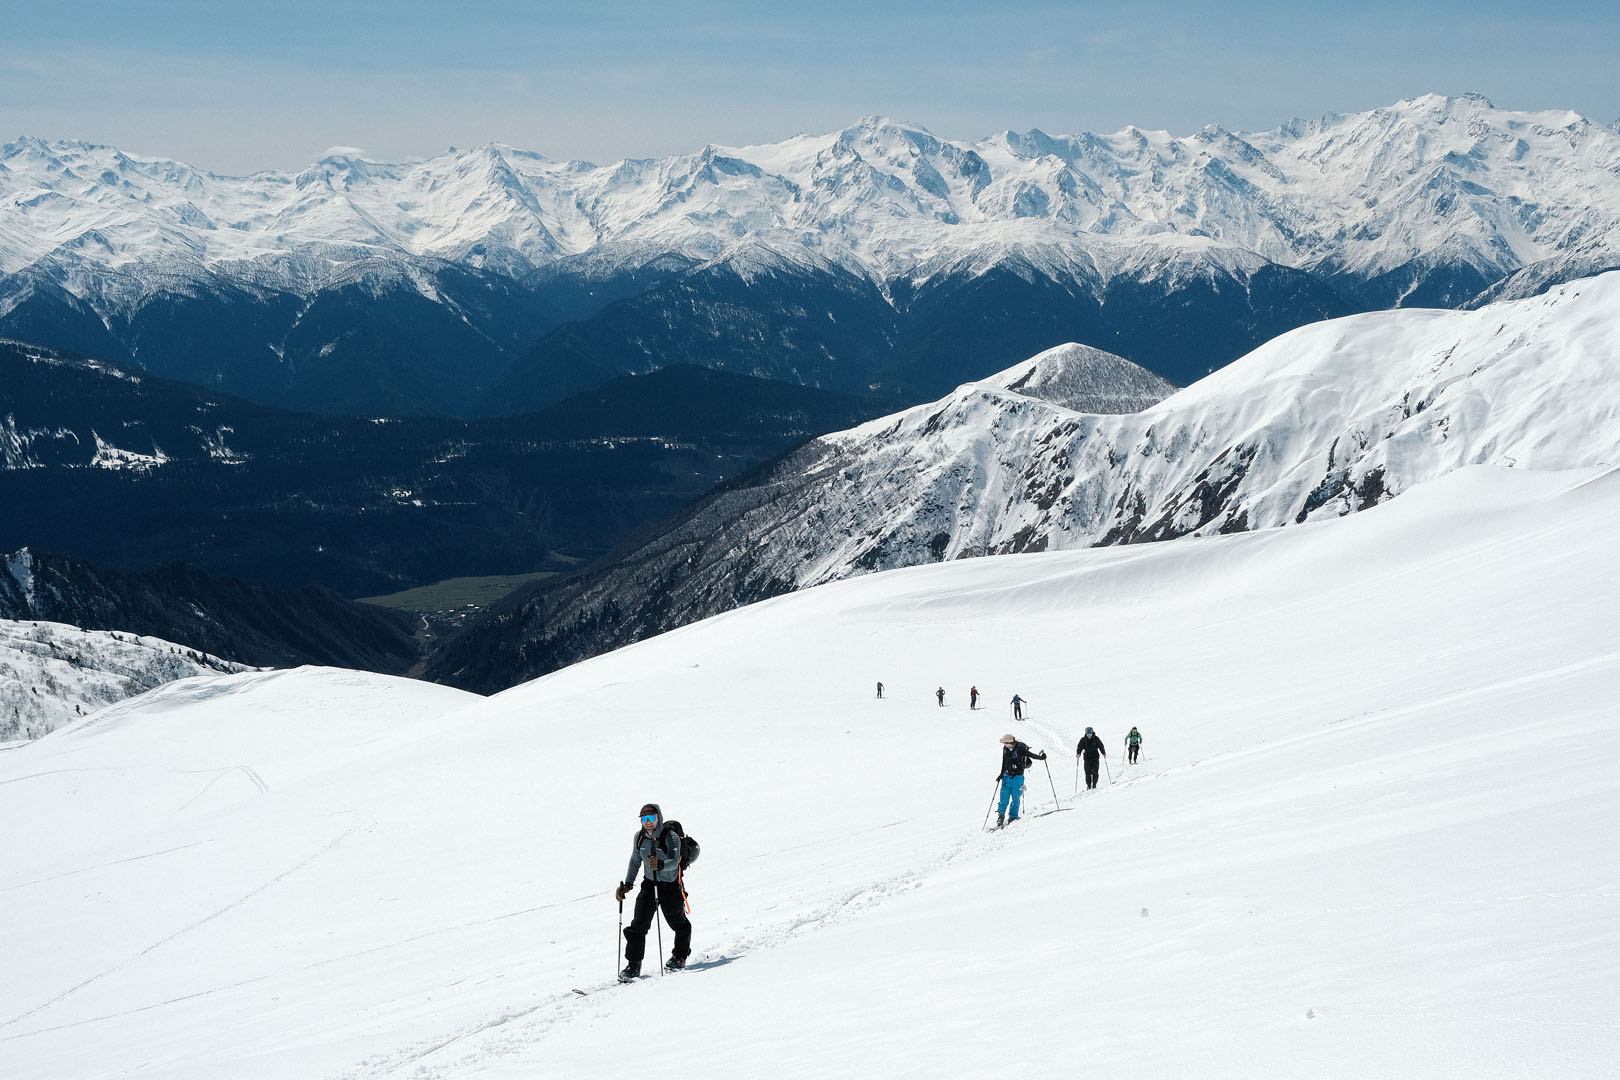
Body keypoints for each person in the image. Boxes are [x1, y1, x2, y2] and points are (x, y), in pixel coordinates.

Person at [615, 802, 691, 979]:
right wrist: (627, 884)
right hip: (649, 885)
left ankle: (679, 956)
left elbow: (675, 860)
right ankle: (633, 965)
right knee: (638, 925)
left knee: (679, 924)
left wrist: (662, 864)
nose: (648, 822)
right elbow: (635, 861)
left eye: (651, 818)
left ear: (658, 818)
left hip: (670, 886)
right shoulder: (639, 837)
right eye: (644, 819)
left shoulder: (670, 836)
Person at [994, 733, 1047, 827]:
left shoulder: (1020, 749)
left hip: (1018, 777)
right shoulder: (1005, 749)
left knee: (1015, 797)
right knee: (1004, 798)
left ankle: (1013, 817)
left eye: (1005, 743)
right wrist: (1001, 774)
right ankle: (1001, 816)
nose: (1004, 745)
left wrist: (1041, 758)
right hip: (1007, 776)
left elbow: (1031, 755)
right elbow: (1004, 762)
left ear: (1010, 742)